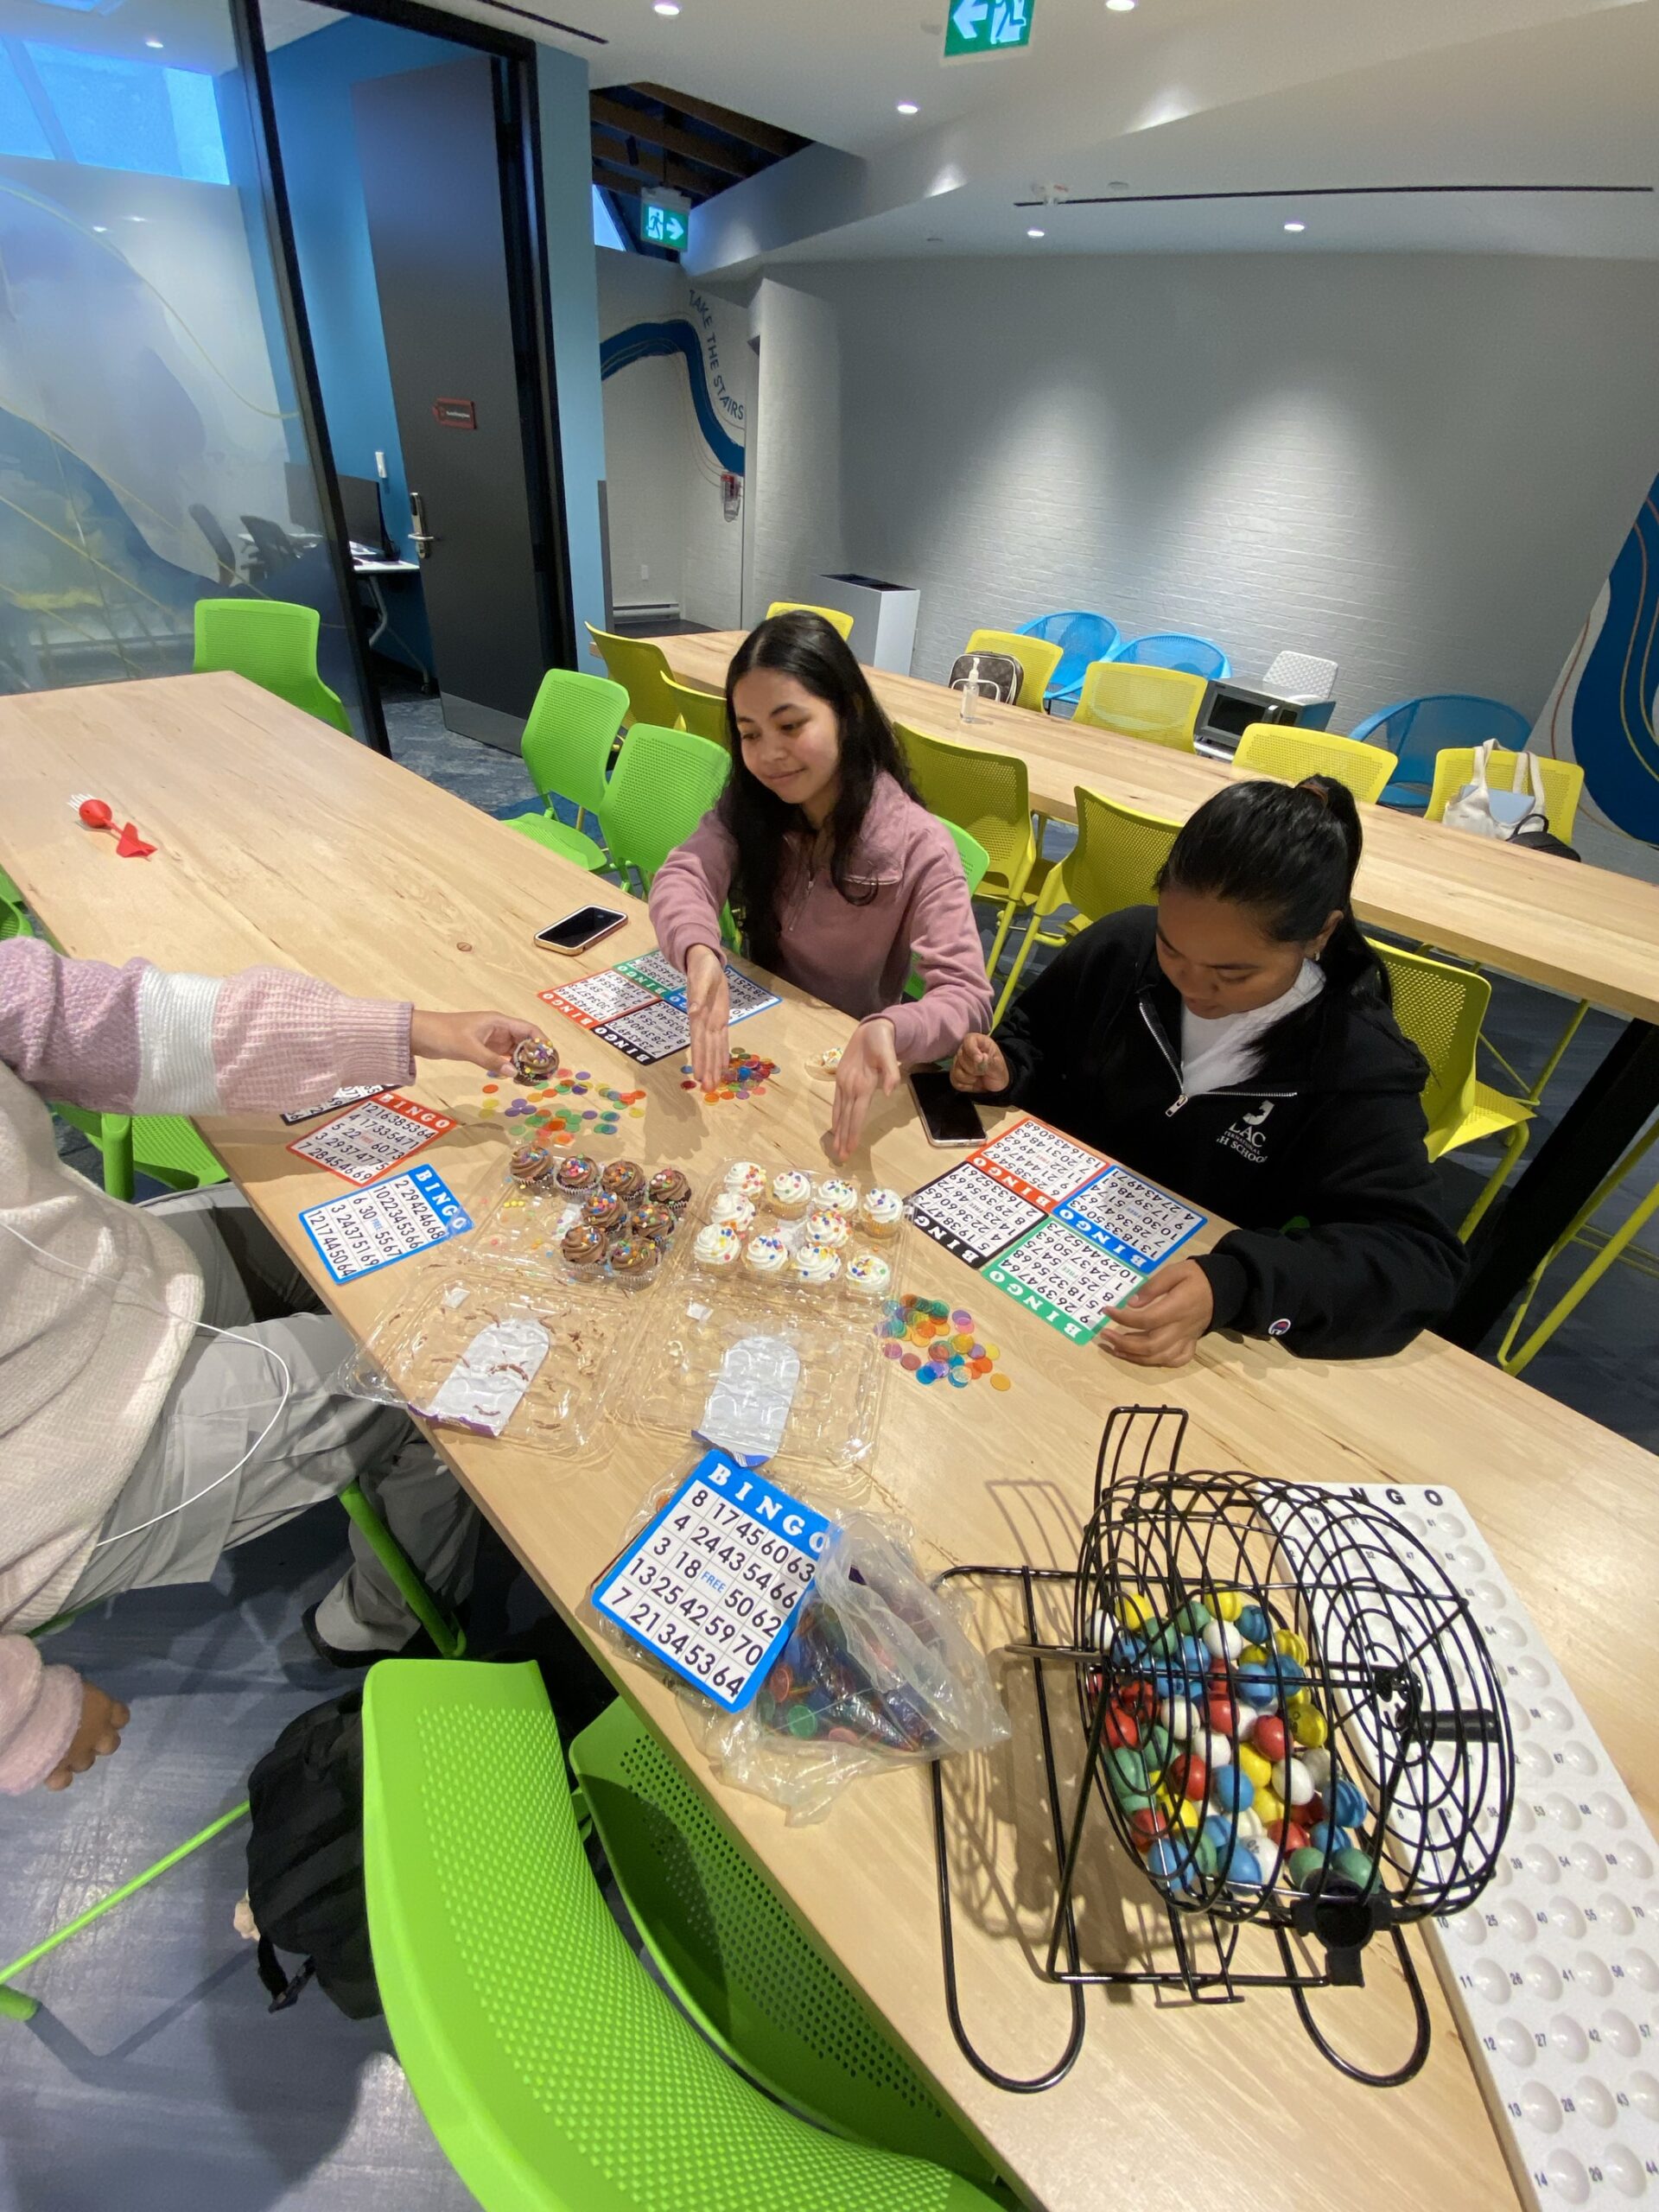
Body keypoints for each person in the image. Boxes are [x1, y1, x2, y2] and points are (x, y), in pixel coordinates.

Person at [0, 934, 546, 1796]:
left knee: (335, 1222)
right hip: (54, 1475)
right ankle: (385, 1620)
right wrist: (23, 1718)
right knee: (438, 1360)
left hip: (107, 1286)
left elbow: (115, 1021)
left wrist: (417, 1031)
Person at [951, 776, 1465, 1366]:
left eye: (1234, 973)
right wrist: (1008, 1069)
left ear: (1320, 935)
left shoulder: (1356, 1061)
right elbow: (1036, 1037)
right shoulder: (1124, 946)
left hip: (1167, 1327)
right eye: (1173, 950)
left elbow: (1417, 1260)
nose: (1193, 987)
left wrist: (1235, 1284)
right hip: (1032, 1260)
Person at [650, 610, 992, 1159]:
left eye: (791, 726)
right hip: (761, 1027)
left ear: (848, 714)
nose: (767, 755)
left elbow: (967, 997)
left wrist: (896, 1026)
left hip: (846, 1059)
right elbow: (684, 873)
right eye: (749, 734)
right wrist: (698, 949)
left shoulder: (918, 845)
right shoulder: (751, 804)